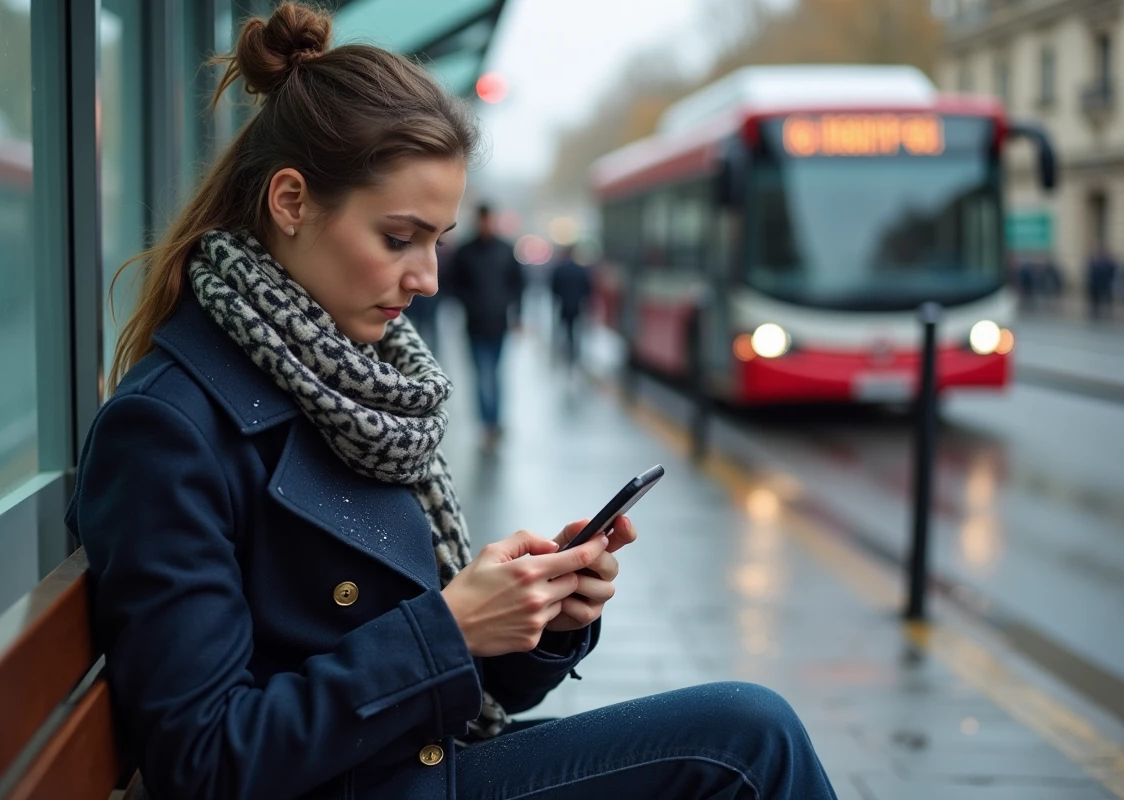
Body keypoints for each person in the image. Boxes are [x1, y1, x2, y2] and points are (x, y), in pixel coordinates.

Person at [66, 5, 838, 799]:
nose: (428, 278)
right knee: (748, 740)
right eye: (399, 239)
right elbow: (206, 762)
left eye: (437, 240)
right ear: (291, 202)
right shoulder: (168, 427)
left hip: (407, 768)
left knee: (749, 736)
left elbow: (445, 687)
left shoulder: (350, 387)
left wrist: (540, 619)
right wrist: (450, 627)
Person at [448, 203, 524, 448]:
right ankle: (486, 423)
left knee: (496, 374)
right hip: (475, 325)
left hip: (499, 324)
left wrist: (513, 311)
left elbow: (518, 284)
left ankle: (495, 420)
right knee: (482, 374)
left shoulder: (505, 250)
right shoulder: (465, 251)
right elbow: (452, 283)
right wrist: (470, 304)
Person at [549, 246, 594, 365]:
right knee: (575, 330)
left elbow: (554, 288)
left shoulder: (560, 269)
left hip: (563, 304)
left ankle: (564, 350)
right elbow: (587, 289)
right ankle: (573, 352)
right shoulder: (581, 270)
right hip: (577, 305)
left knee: (563, 328)